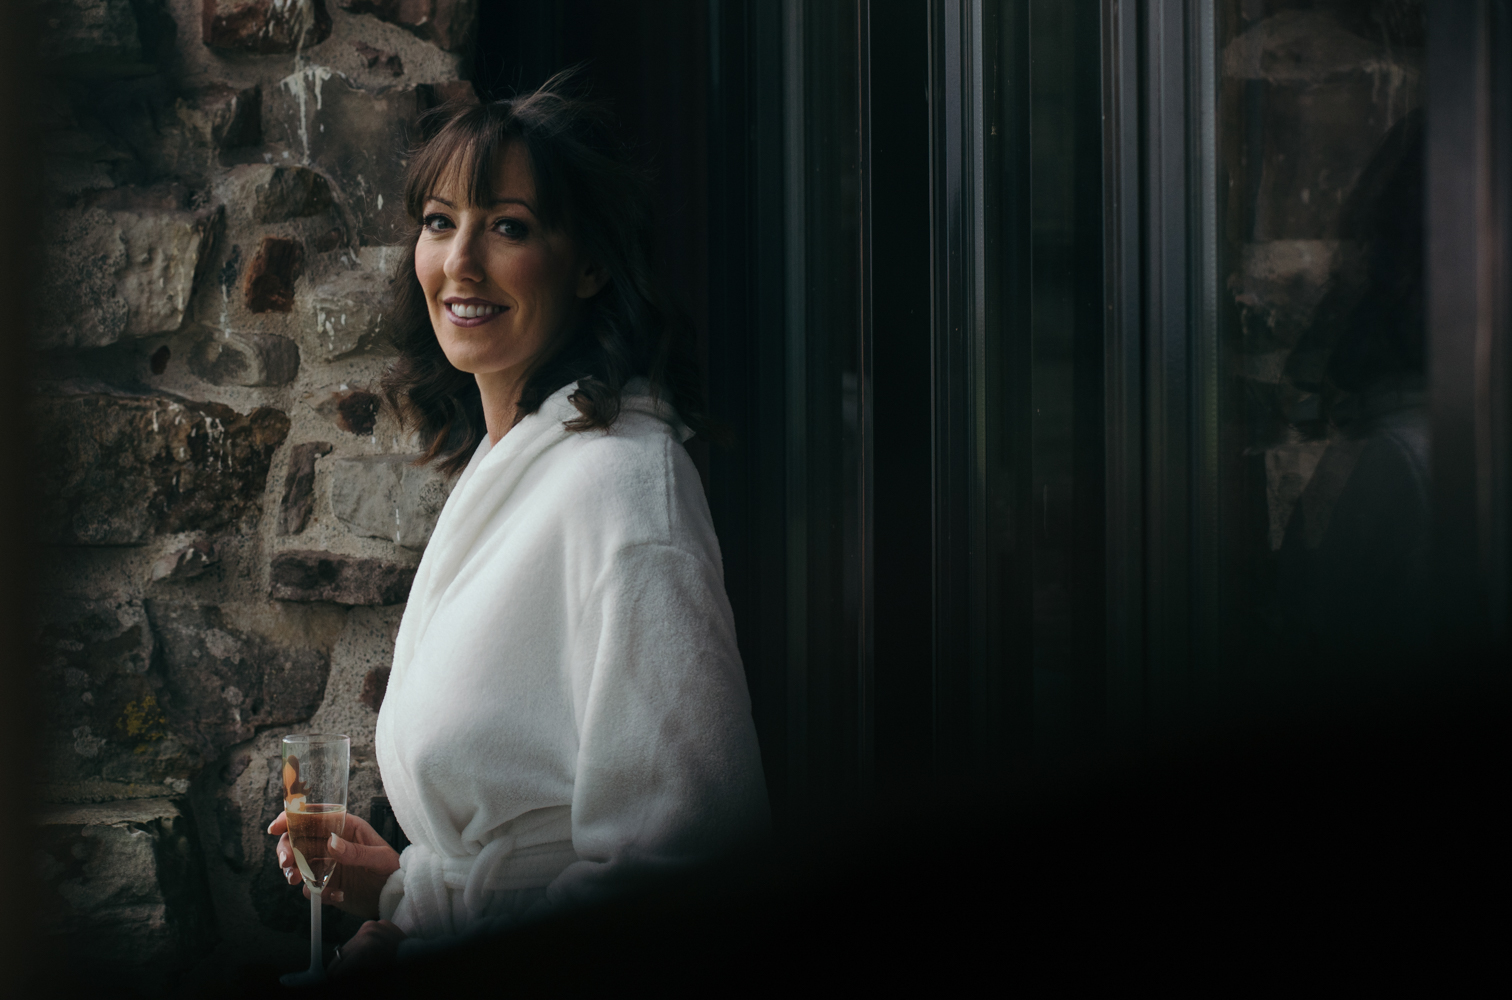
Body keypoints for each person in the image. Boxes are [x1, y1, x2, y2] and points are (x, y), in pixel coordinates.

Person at [266, 72, 769, 974]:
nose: (460, 261)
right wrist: (401, 894)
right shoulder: (511, 473)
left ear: (589, 263)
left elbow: (687, 867)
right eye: (438, 221)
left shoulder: (623, 491)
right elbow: (520, 842)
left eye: (508, 226)